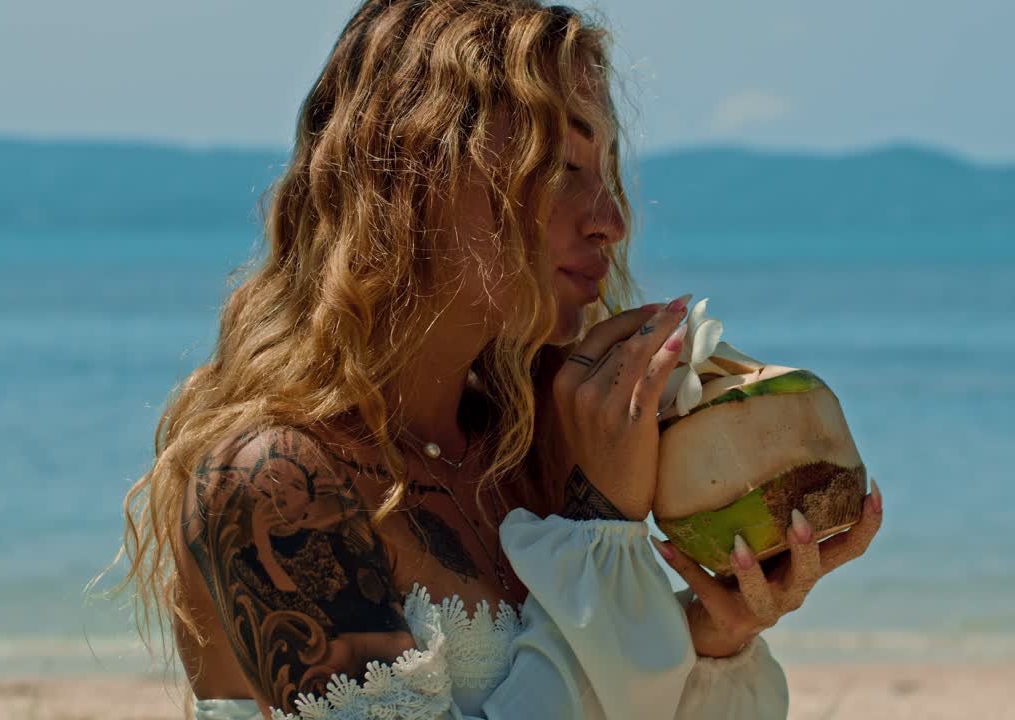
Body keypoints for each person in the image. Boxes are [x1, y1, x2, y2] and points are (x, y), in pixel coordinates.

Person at [109, 1, 884, 718]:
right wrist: (598, 530)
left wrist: (709, 636)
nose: (611, 221)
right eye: (561, 168)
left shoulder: (527, 449)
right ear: (413, 178)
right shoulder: (274, 484)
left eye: (607, 169)